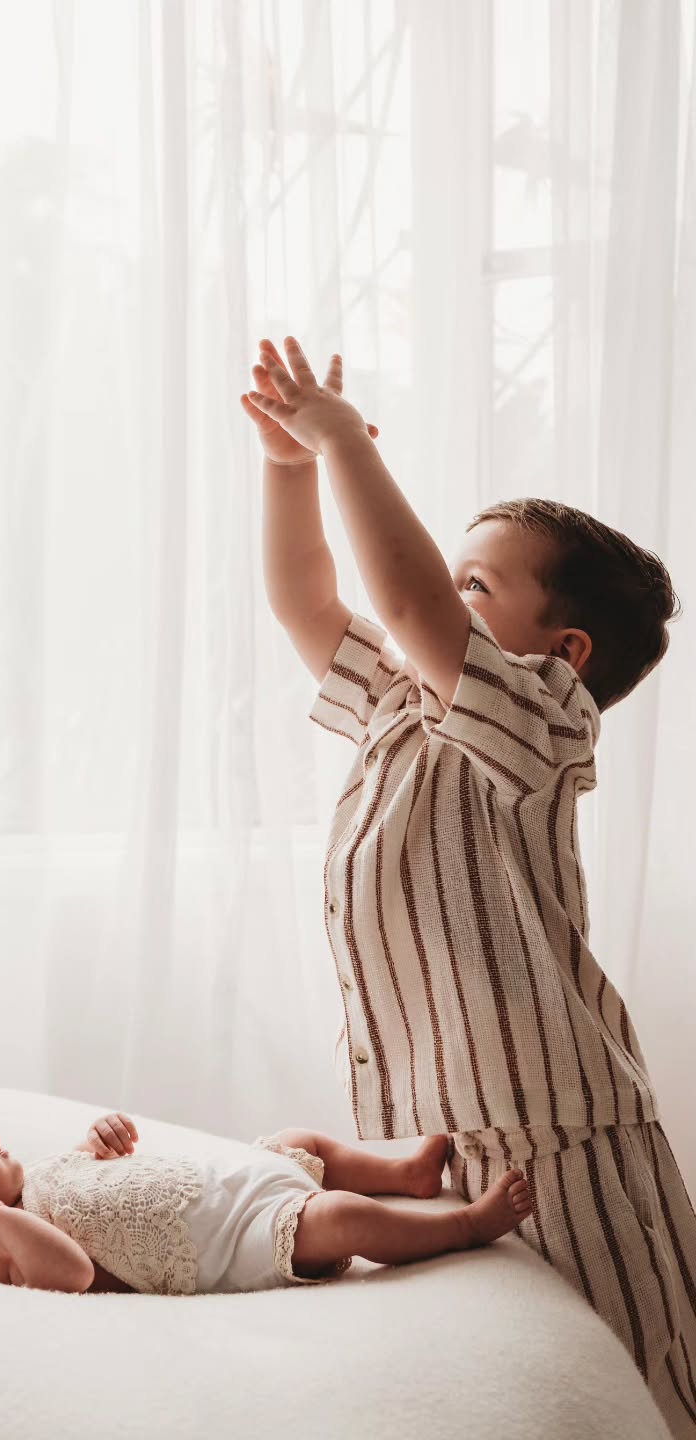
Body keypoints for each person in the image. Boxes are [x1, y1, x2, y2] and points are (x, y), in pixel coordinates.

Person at [242, 335, 695, 1437]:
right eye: (452, 579)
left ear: (564, 651)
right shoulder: (406, 705)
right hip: (428, 1141)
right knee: (490, 1395)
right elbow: (309, 602)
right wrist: (290, 470)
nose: (441, 598)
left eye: (476, 584)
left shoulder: (539, 723)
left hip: (561, 1146)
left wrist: (345, 440)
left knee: (637, 1383)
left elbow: (402, 602)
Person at [0, 1110, 531, 1294]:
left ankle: (402, 1173)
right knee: (339, 1221)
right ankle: (465, 1226)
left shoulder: (35, 1176)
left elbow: (89, 1171)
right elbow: (70, 1273)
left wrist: (97, 1140)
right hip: (232, 1241)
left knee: (299, 1139)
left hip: (230, 1182)